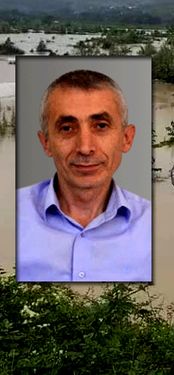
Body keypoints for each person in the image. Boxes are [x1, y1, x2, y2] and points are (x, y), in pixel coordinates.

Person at [16, 69, 151, 282]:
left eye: (101, 126)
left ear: (126, 138)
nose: (85, 148)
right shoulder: (13, 214)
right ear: (46, 143)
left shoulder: (151, 225)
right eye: (67, 128)